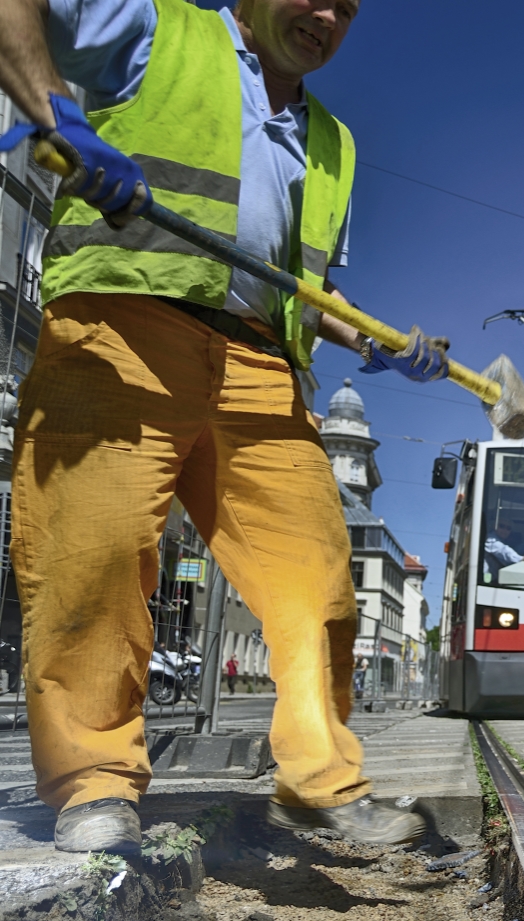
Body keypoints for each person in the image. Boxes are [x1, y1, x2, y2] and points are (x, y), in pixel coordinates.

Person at [0, 0, 451, 854]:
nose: (325, 15)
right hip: (122, 324)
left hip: (258, 364)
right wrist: (54, 111)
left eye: (345, 8)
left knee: (316, 582)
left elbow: (300, 286)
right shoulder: (156, 29)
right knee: (90, 560)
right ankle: (93, 786)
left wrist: (381, 345)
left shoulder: (334, 143)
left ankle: (322, 783)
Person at [482, 518, 524, 584]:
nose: (504, 530)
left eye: (508, 528)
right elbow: (503, 550)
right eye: (501, 526)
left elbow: (516, 550)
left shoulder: (502, 540)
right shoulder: (491, 539)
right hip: (485, 582)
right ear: (494, 526)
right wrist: (521, 558)